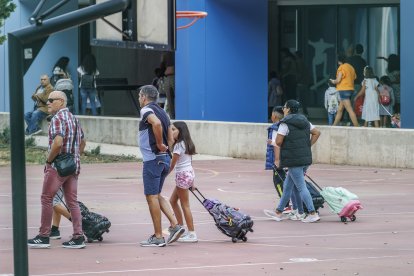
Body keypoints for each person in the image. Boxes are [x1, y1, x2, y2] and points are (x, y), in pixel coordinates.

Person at [27, 90, 86, 249]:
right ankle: (78, 237)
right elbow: (83, 142)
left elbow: (58, 142)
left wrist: (48, 161)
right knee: (72, 202)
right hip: (73, 166)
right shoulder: (74, 118)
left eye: (51, 100)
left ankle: (43, 235)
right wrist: (75, 157)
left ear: (61, 101)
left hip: (58, 166)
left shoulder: (57, 118)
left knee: (46, 198)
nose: (48, 103)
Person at [137, 85, 184, 247]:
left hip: (153, 159)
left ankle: (158, 236)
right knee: (157, 195)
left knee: (151, 197)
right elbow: (171, 137)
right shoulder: (164, 113)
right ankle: (175, 225)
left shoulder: (146, 111)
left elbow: (155, 124)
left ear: (144, 97)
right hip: (164, 159)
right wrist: (167, 149)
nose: (139, 100)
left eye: (139, 96)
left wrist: (158, 143)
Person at [269, 100, 321, 223]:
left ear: (289, 109)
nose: (283, 109)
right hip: (305, 158)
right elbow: (317, 133)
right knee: (287, 186)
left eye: (285, 107)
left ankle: (312, 213)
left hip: (293, 159)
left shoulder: (284, 124)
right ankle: (278, 212)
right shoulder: (305, 121)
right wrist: (308, 145)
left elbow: (279, 142)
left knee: (301, 187)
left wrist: (274, 142)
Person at [168, 121, 198, 243]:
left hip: (182, 176)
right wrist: (192, 182)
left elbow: (172, 164)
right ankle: (180, 227)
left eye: (173, 129)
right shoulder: (186, 143)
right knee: (172, 201)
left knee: (185, 205)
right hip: (188, 174)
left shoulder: (178, 146)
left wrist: (163, 175)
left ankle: (192, 234)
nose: (171, 131)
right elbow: (189, 163)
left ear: (180, 131)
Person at [330, 54, 359, 127]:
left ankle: (357, 126)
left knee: (349, 110)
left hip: (343, 90)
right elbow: (355, 77)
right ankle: (334, 125)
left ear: (339, 61)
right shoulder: (351, 67)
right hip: (350, 89)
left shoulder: (341, 67)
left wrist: (333, 81)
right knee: (340, 109)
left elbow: (338, 80)